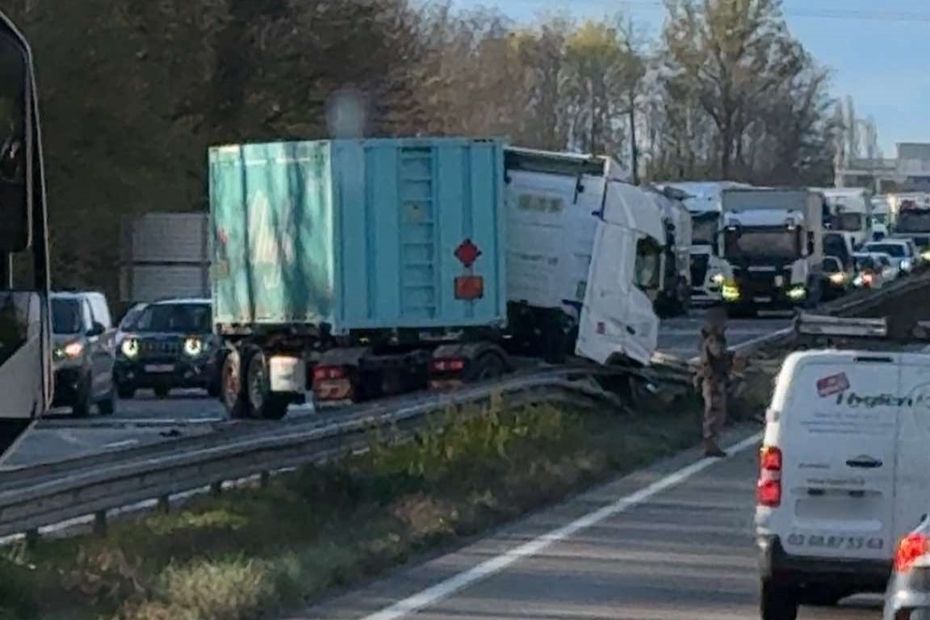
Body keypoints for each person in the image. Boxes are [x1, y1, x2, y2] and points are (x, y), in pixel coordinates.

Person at [696, 305, 732, 458]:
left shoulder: (709, 338)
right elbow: (717, 354)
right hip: (713, 380)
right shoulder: (713, 340)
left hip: (714, 379)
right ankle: (710, 445)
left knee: (716, 413)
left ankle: (712, 444)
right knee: (714, 413)